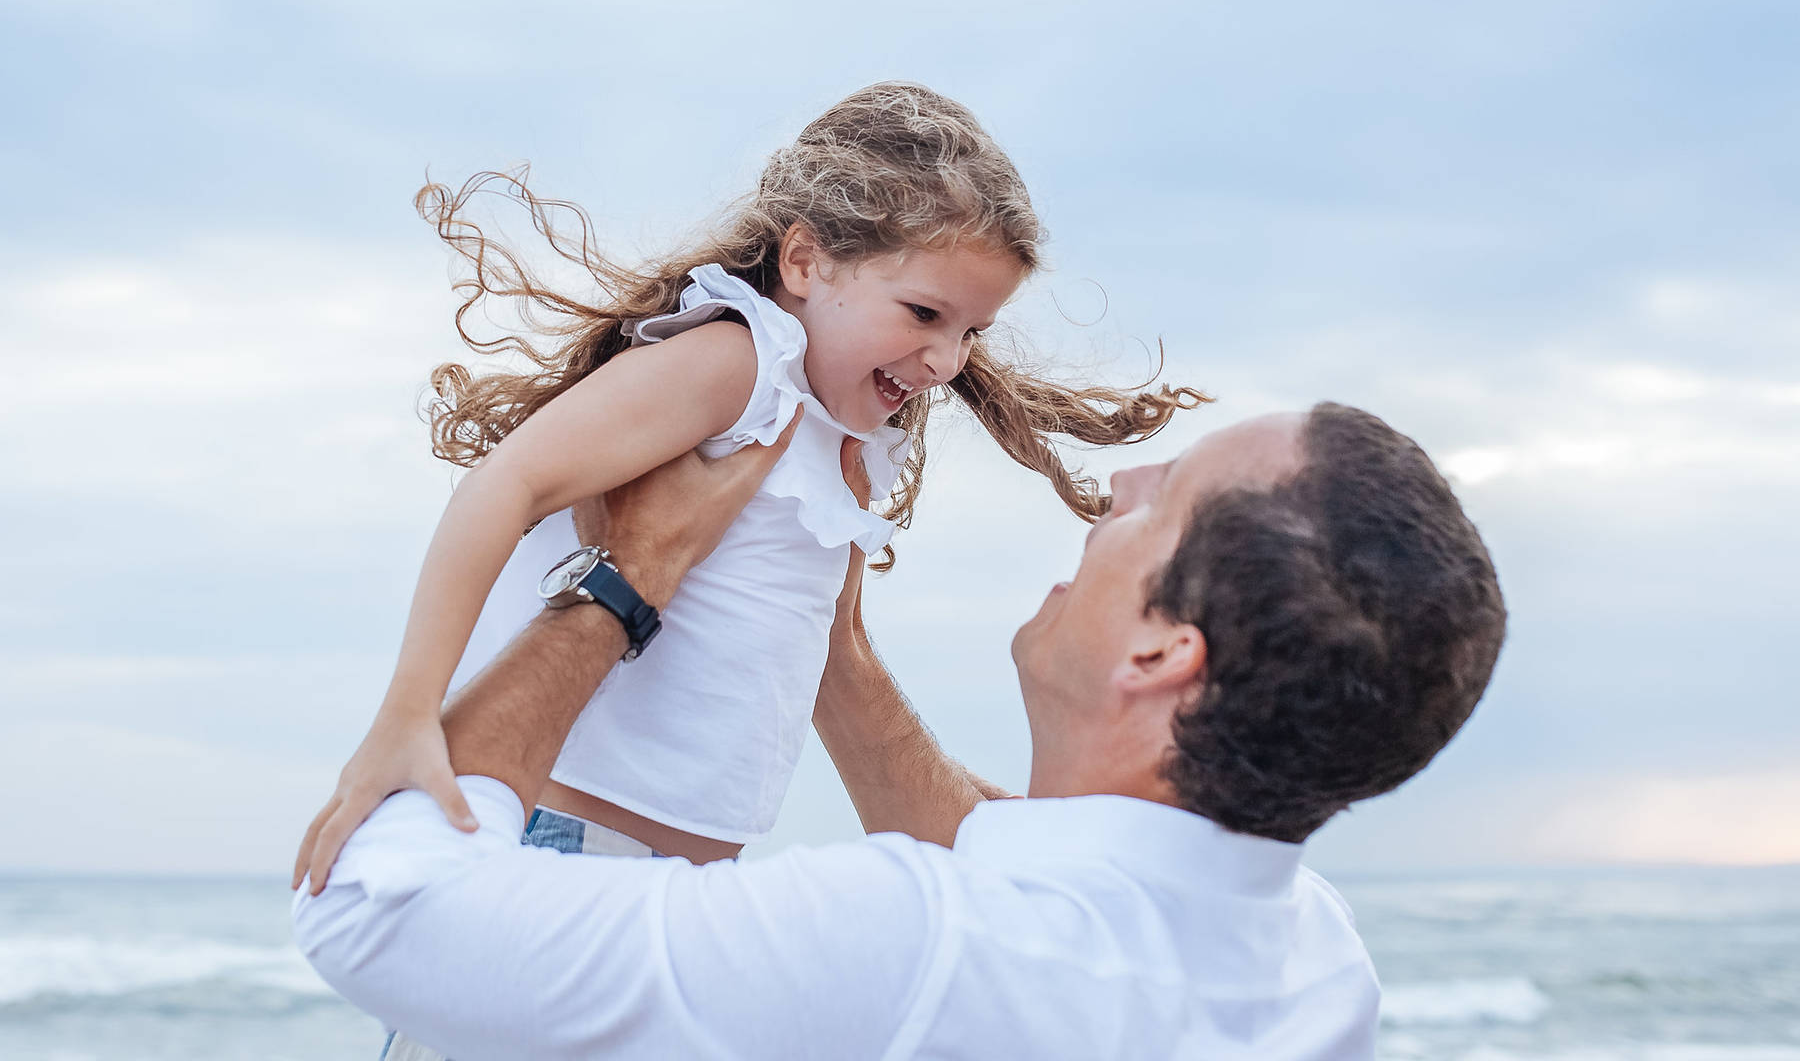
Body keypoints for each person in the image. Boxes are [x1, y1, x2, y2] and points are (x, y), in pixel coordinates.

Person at [292, 400, 1507, 1060]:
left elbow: (375, 909)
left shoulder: (907, 946)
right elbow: (1045, 880)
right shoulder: (1309, 961)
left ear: (1161, 653)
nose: (1116, 488)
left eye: (1164, 500)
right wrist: (833, 651)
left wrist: (633, 575)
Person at [293, 81, 1207, 906]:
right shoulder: (740, 362)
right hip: (562, 848)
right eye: (924, 314)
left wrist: (983, 826)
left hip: (685, 883)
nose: (946, 360)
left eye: (973, 330)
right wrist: (404, 717)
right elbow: (504, 484)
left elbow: (801, 652)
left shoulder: (846, 431)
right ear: (806, 263)